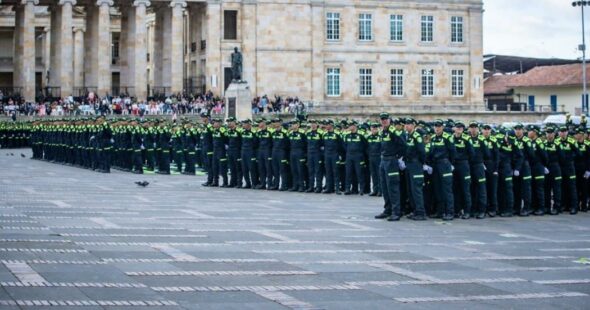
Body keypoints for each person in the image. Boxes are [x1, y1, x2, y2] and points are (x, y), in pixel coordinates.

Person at [374, 113, 406, 222]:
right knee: (384, 186)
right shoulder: (382, 131)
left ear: (389, 120)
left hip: (392, 161)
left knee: (393, 187)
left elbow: (403, 145)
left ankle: (396, 212)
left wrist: (398, 156)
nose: (384, 121)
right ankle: (387, 209)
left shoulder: (393, 131)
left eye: (386, 119)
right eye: (382, 119)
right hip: (383, 160)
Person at [427, 119, 455, 221]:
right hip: (435, 165)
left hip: (445, 164)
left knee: (447, 190)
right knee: (437, 189)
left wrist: (450, 164)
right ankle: (440, 211)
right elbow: (430, 152)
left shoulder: (447, 137)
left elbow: (453, 152)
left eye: (439, 126)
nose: (437, 128)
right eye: (435, 126)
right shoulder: (433, 138)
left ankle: (450, 212)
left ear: (442, 127)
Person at [404, 118, 426, 220]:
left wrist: (420, 163)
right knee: (410, 190)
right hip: (409, 165)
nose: (406, 126)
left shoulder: (417, 136)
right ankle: (415, 211)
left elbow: (422, 152)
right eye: (406, 124)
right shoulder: (409, 136)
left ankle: (421, 212)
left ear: (413, 125)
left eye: (409, 124)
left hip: (416, 165)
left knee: (416, 190)